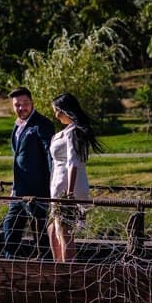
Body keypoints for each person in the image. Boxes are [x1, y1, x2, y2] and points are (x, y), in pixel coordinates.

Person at [0, 87, 55, 258]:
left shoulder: (42, 124)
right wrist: (14, 188)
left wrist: (52, 187)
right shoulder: (17, 126)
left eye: (25, 104)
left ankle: (45, 270)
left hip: (38, 190)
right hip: (19, 191)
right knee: (10, 227)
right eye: (17, 105)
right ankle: (11, 266)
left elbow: (50, 157)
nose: (21, 108)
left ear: (32, 103)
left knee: (40, 233)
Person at [47, 92, 102, 262]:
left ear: (66, 111)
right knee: (52, 229)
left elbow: (73, 162)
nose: (56, 115)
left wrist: (69, 194)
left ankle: (69, 273)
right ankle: (59, 266)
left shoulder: (72, 133)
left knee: (63, 231)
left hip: (66, 189)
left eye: (58, 111)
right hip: (57, 187)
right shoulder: (65, 132)